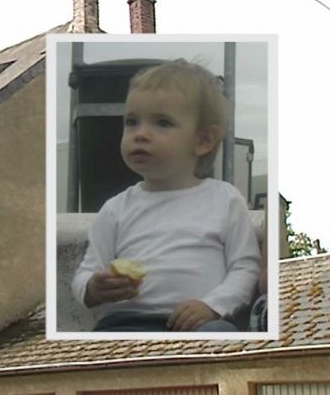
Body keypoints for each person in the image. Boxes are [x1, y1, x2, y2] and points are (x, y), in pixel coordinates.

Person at [71, 60, 261, 332]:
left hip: (198, 323)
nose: (141, 134)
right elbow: (85, 273)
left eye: (162, 123)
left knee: (222, 334)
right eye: (131, 122)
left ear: (203, 140)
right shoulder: (115, 209)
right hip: (125, 322)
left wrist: (213, 305)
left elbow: (245, 267)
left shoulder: (225, 200)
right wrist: (93, 288)